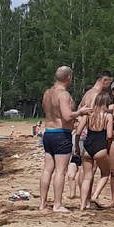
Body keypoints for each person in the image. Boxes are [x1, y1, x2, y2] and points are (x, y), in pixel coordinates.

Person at [38, 66, 86, 212]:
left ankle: (42, 203)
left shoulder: (47, 93)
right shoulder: (63, 95)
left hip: (48, 132)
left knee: (47, 170)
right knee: (60, 170)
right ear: (68, 78)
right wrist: (80, 112)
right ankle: (57, 204)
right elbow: (66, 115)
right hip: (61, 134)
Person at [78, 89, 114, 210]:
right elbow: (109, 135)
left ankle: (83, 204)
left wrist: (78, 147)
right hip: (100, 146)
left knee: (87, 177)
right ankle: (95, 195)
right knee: (105, 173)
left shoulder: (89, 114)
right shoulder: (108, 116)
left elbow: (78, 132)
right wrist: (108, 148)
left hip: (87, 146)